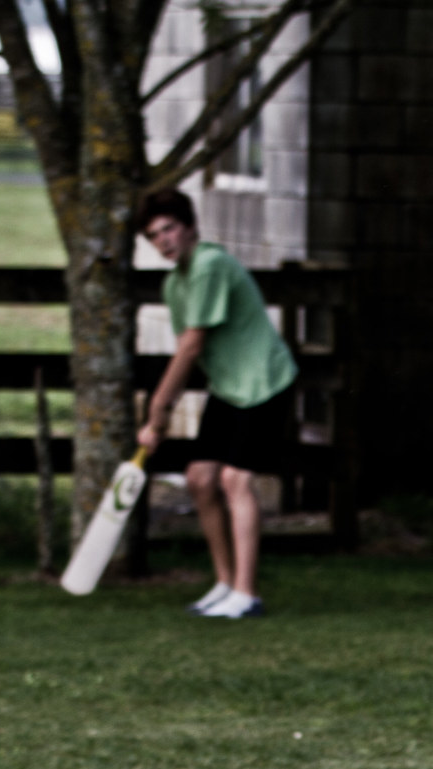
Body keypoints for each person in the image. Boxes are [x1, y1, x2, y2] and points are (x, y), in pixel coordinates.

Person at [135, 189, 298, 619]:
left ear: (189, 227)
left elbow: (191, 346)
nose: (164, 240)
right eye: (154, 235)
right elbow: (190, 348)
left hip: (264, 382)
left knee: (234, 480)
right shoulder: (175, 283)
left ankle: (247, 594)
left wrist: (158, 412)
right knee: (198, 478)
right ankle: (224, 584)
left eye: (169, 228)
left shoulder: (210, 264)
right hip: (229, 387)